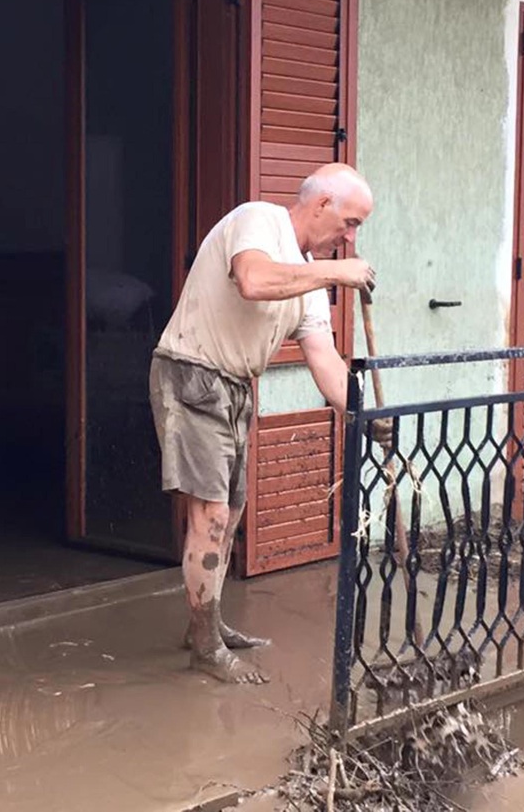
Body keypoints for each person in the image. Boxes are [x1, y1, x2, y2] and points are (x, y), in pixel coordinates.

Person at [149, 163, 386, 685]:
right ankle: (207, 648)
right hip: (191, 373)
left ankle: (203, 623)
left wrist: (366, 413)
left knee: (230, 514)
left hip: (234, 385)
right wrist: (334, 273)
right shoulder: (259, 221)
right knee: (209, 515)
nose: (349, 238)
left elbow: (324, 360)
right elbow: (253, 280)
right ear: (321, 203)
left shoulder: (310, 281)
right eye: (350, 222)